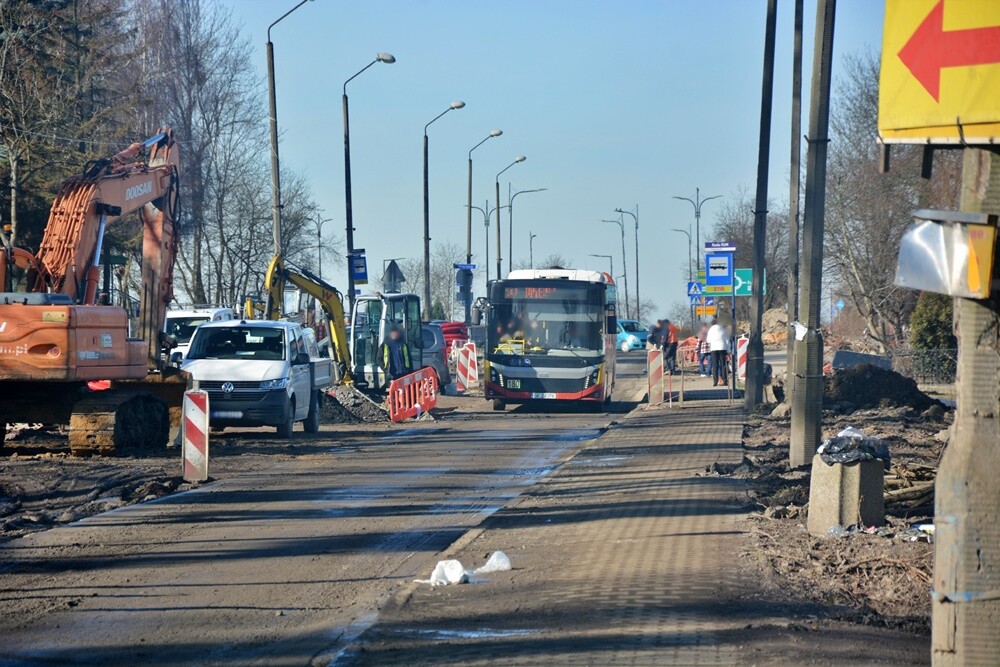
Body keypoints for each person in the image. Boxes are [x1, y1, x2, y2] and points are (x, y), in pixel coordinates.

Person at [707, 318, 729, 387]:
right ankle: (725, 381)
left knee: (715, 365)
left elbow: (708, 340)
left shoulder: (710, 330)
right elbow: (727, 340)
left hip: (713, 348)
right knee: (723, 365)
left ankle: (715, 382)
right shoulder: (722, 329)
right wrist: (728, 350)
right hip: (722, 348)